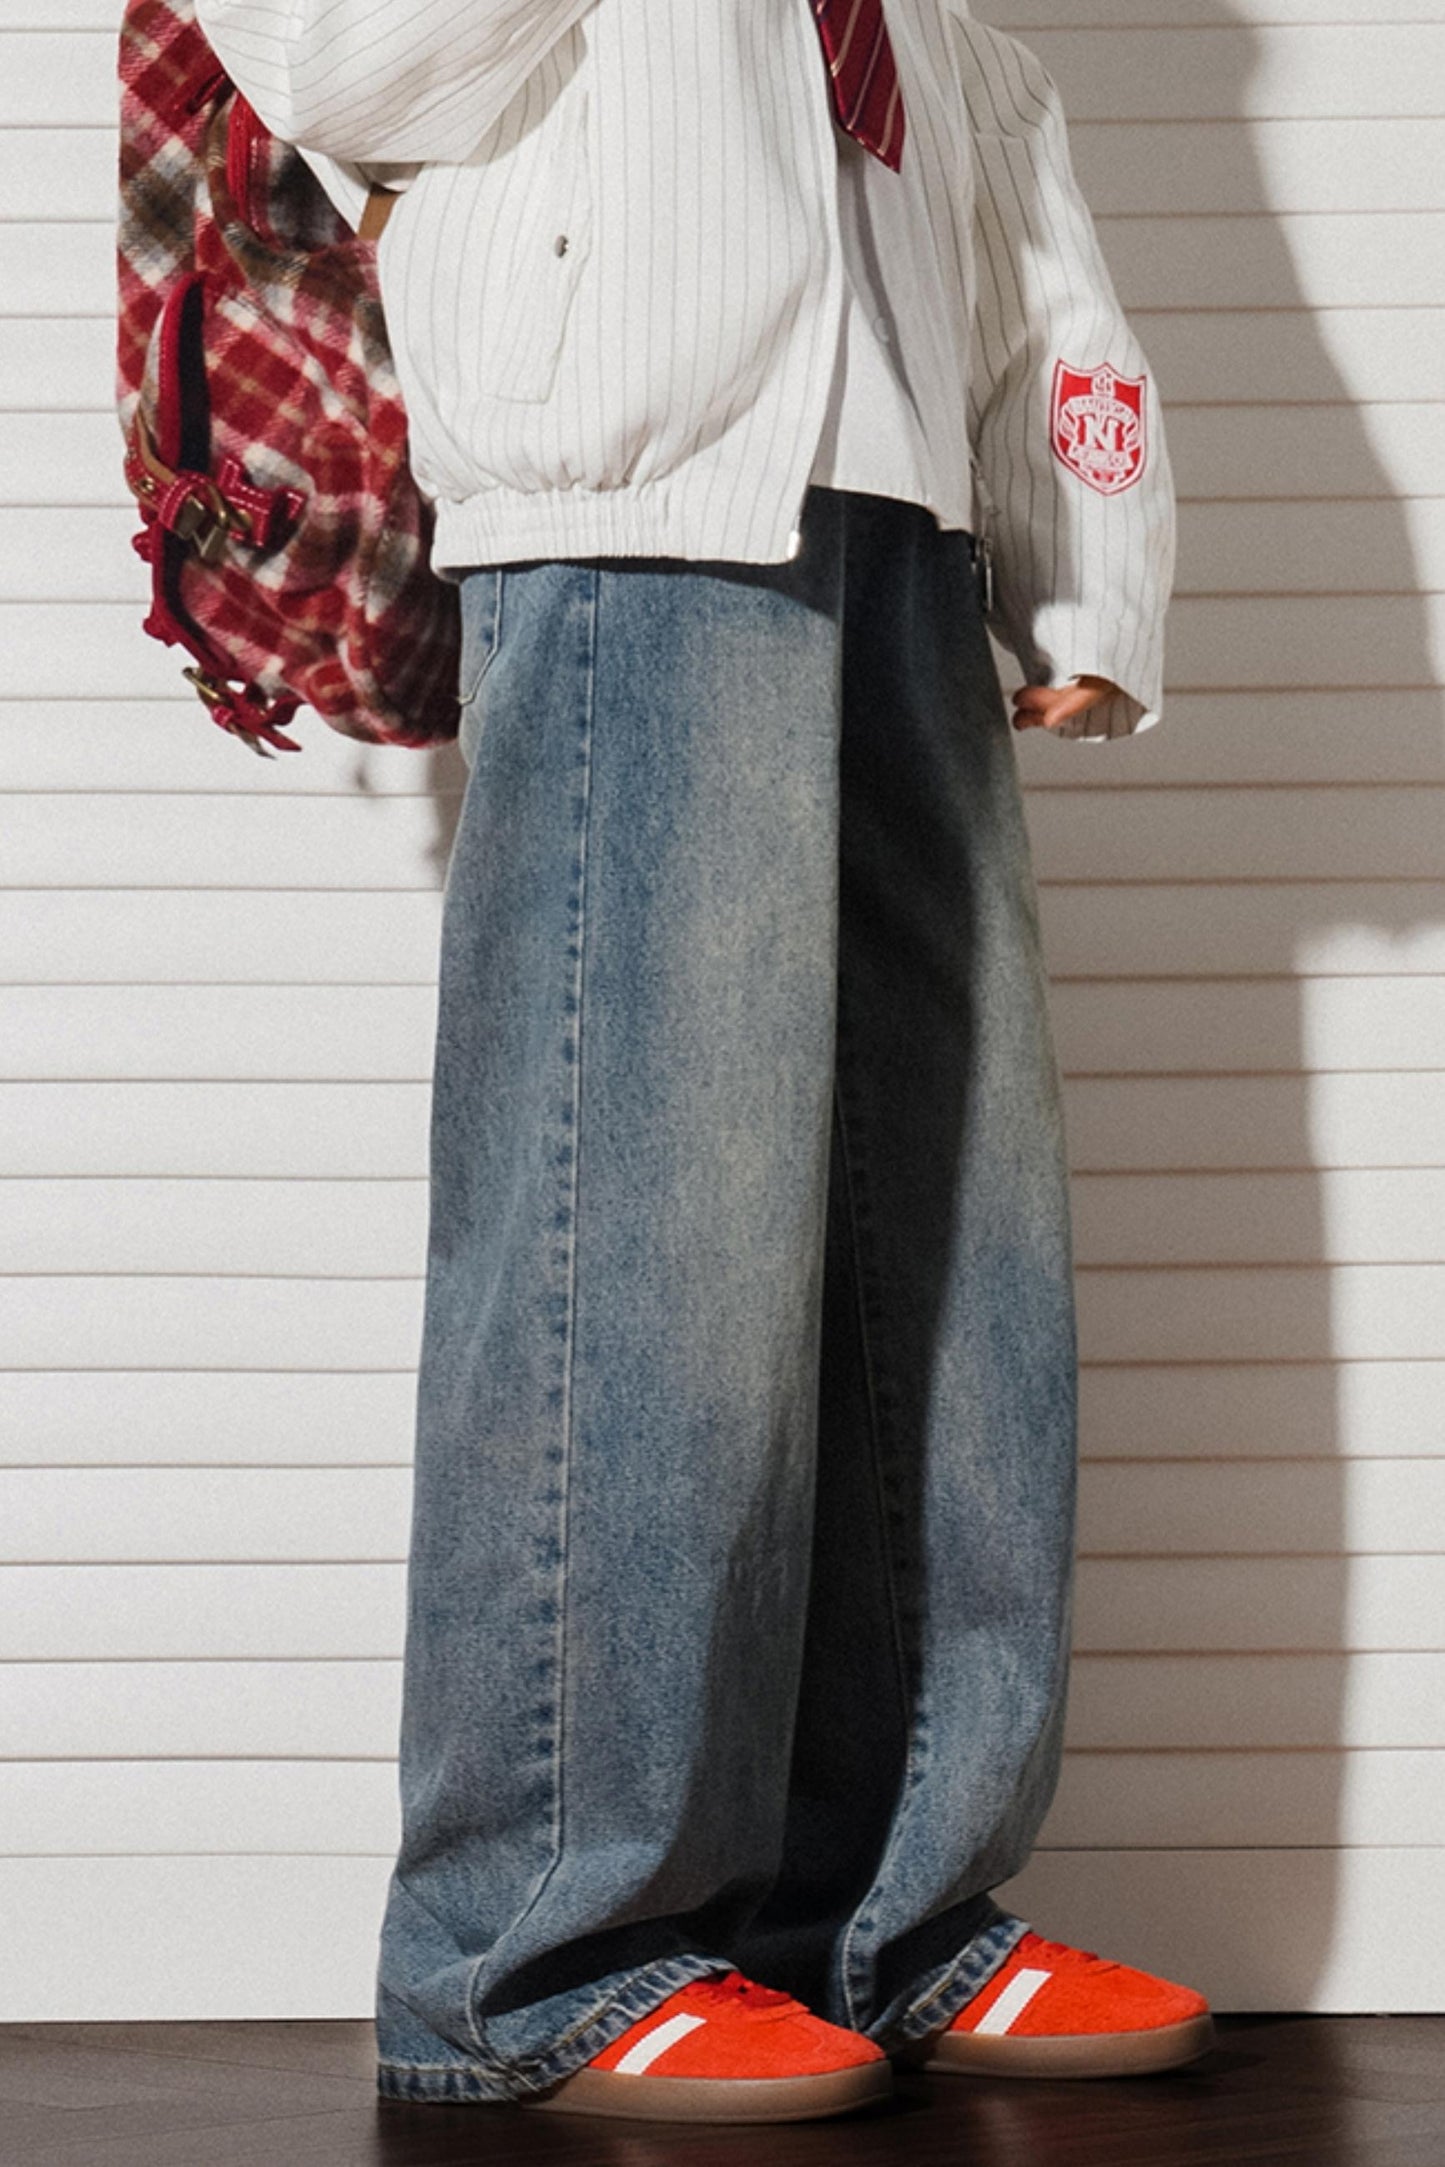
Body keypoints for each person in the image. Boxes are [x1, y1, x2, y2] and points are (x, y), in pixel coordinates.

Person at [196, 0, 1215, 2124]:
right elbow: (351, 67)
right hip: (629, 515)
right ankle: (531, 1946)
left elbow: (1014, 199)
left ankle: (897, 1910)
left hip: (913, 534)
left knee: (955, 1252)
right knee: (638, 1238)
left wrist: (1089, 567)